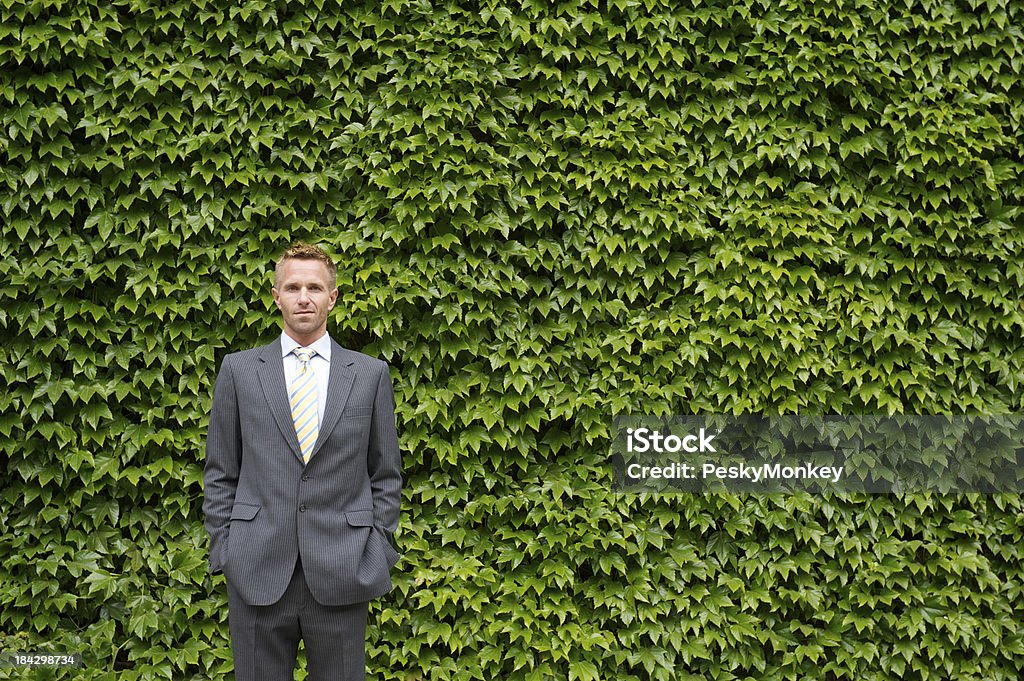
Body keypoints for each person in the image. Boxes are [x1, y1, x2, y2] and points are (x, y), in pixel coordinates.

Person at [203, 242, 401, 681]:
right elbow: (220, 472)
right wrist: (226, 548)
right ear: (276, 296)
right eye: (293, 287)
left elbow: (385, 474)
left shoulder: (369, 375)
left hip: (343, 569)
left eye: (315, 287)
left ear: (333, 297)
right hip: (255, 569)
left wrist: (377, 550)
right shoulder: (239, 371)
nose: (304, 297)